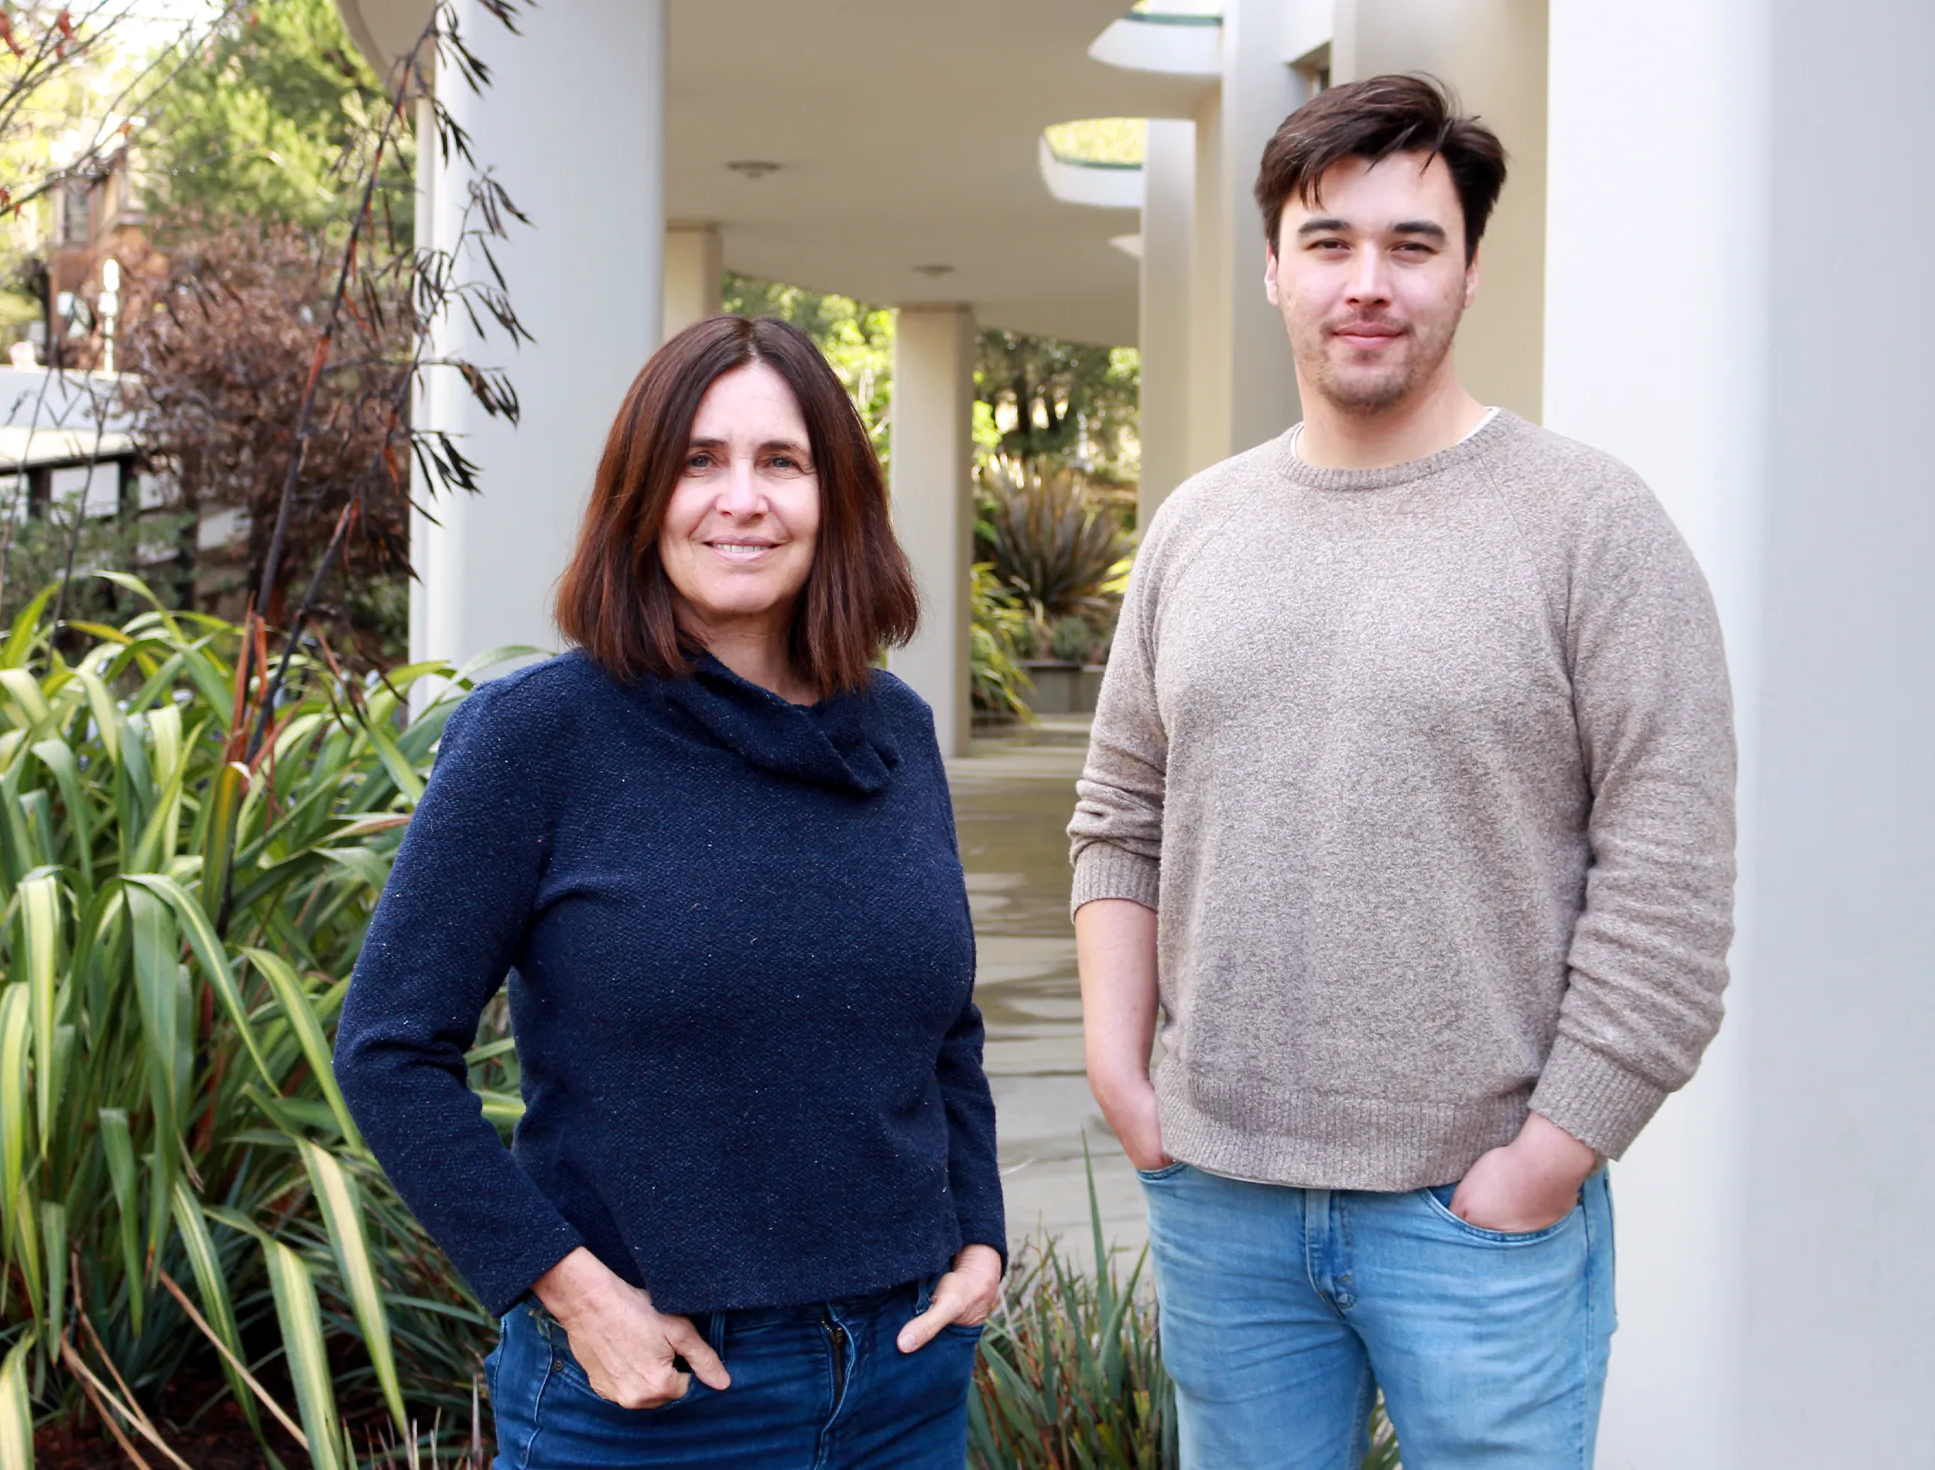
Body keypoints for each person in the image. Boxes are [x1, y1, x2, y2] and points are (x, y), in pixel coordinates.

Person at [1068, 73, 1737, 1469]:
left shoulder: (1590, 527)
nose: (1366, 282)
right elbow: (1119, 813)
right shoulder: (1197, 526)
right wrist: (1122, 1073)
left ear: (1470, 270)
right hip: (1220, 1199)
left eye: (1410, 244)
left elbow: (1665, 886)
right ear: (1270, 269)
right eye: (1328, 243)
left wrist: (1544, 1160)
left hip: (1472, 1214)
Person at [335, 315, 1004, 1469]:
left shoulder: (896, 731)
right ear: (639, 498)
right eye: (699, 461)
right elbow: (389, 1050)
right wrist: (572, 1293)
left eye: (780, 462)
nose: (740, 498)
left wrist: (979, 1237)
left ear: (835, 499)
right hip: (654, 1394)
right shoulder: (538, 736)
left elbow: (943, 1027)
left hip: (904, 1378)